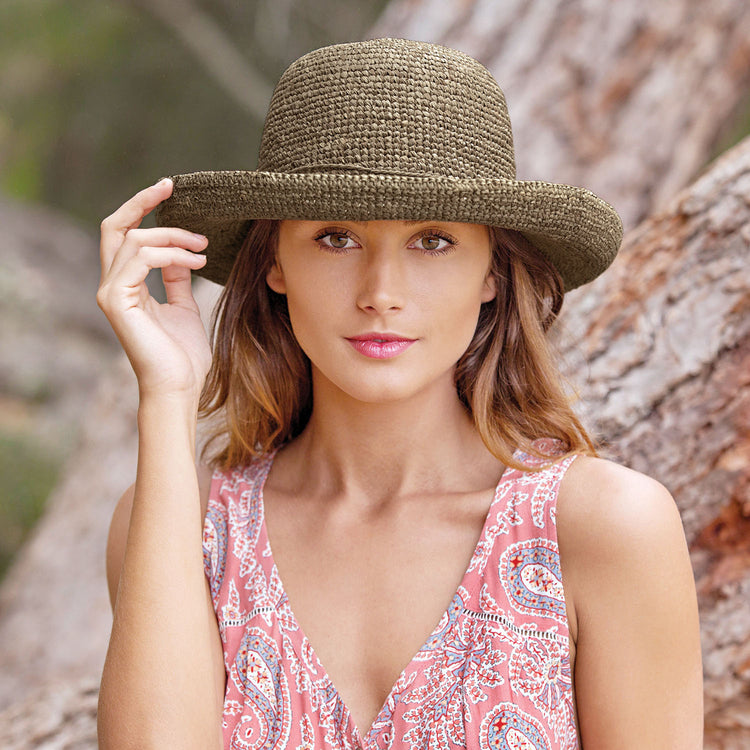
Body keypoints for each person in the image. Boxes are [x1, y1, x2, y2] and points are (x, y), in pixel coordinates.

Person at [96, 37, 703, 750]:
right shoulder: (183, 523)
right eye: (335, 238)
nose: (381, 294)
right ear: (274, 263)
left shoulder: (604, 527)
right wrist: (168, 398)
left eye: (433, 241)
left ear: (492, 275)